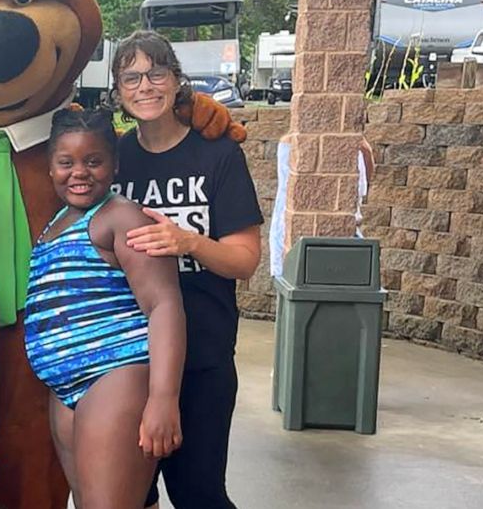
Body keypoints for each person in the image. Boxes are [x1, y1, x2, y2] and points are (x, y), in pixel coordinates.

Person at [107, 30, 263, 509]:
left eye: (156, 73)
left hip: (202, 354)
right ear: (117, 91)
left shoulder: (217, 155)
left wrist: (187, 242)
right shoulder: (113, 160)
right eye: (131, 77)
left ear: (176, 80)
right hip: (128, 358)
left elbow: (244, 260)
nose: (145, 86)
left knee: (197, 492)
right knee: (131, 494)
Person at [24, 108, 186, 507]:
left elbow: (164, 304)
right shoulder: (58, 220)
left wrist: (163, 397)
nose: (79, 172)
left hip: (114, 376)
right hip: (65, 389)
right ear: (50, 168)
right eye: (66, 162)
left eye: (93, 161)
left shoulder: (120, 217)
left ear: (114, 166)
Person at [269, 136, 374, 276]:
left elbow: (362, 188)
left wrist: (366, 151)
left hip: (343, 239)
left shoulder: (358, 147)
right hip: (297, 238)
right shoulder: (292, 145)